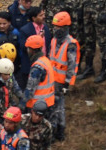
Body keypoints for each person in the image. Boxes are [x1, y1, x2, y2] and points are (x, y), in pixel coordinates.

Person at [48, 11, 79, 141]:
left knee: (57, 108)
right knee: (55, 106)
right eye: (55, 27)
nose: (56, 29)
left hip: (61, 82)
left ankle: (58, 132)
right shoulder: (54, 40)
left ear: (65, 27)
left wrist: (67, 83)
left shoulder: (70, 43)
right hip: (51, 79)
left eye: (59, 27)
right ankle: (57, 130)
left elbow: (72, 65)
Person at [17, 6, 51, 88]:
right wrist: (37, 39)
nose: (44, 17)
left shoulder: (45, 28)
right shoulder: (25, 30)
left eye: (43, 14)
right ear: (33, 18)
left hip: (44, 64)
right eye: (40, 15)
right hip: (30, 66)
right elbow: (23, 47)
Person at [23, 35, 56, 116]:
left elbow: (30, 90)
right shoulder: (46, 60)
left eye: (28, 48)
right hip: (48, 102)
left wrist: (22, 104)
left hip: (36, 106)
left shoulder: (37, 67)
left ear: (32, 50)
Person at [0, 58, 26, 123]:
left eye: (9, 74)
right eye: (5, 74)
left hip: (6, 116)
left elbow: (10, 98)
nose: (8, 77)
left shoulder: (9, 84)